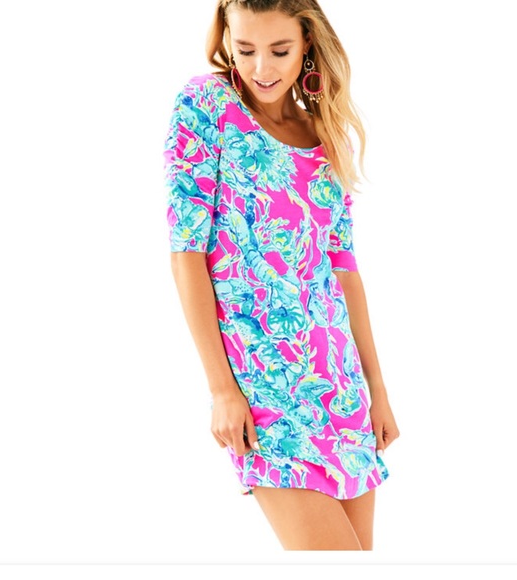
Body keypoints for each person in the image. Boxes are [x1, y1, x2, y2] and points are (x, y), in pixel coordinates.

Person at [164, 0, 400, 551]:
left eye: (279, 50)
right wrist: (222, 389)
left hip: (338, 387)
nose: (261, 68)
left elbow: (342, 269)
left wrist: (377, 388)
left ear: (307, 45)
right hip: (262, 387)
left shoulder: (327, 134)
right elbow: (186, 251)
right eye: (245, 49)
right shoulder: (206, 106)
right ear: (227, 37)